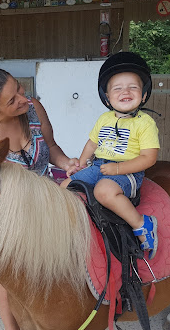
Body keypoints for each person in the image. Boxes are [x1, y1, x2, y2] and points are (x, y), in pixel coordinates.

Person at [0, 67, 79, 330]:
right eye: (12, 99)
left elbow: (50, 146)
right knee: (10, 275)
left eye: (20, 89)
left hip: (51, 196)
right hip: (11, 211)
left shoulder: (33, 109)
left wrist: (65, 163)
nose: (22, 99)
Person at [60, 52, 160, 259]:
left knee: (103, 191)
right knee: (64, 187)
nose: (125, 91)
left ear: (143, 95)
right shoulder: (104, 118)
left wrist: (117, 169)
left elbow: (149, 158)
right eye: (118, 88)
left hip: (127, 170)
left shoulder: (145, 123)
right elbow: (92, 143)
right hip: (99, 166)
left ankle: (142, 224)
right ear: (107, 96)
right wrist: (81, 162)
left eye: (133, 87)